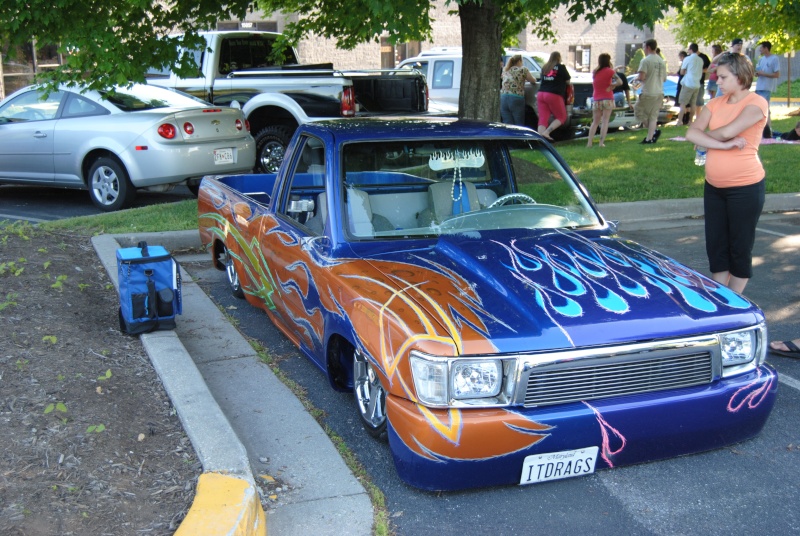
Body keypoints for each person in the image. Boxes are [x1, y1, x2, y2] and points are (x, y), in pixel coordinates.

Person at [685, 52, 768, 294]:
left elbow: (726, 131)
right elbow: (693, 133)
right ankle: (719, 296)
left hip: (745, 187)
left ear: (740, 76)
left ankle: (733, 301)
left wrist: (707, 140)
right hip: (714, 187)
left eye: (722, 77)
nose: (717, 82)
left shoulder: (756, 103)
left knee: (739, 247)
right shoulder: (714, 104)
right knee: (717, 247)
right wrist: (720, 145)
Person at [634, 39, 667, 144]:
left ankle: (653, 132)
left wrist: (636, 80)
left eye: (644, 47)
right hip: (660, 91)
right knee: (653, 116)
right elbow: (664, 78)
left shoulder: (645, 61)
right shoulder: (661, 61)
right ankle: (650, 138)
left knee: (638, 111)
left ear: (648, 47)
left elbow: (642, 77)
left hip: (648, 91)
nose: (643, 49)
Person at [587, 53, 621, 147]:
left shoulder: (595, 72)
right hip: (608, 98)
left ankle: (589, 143)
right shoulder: (610, 71)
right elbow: (620, 81)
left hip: (597, 99)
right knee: (605, 121)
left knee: (595, 121)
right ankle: (601, 143)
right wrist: (612, 85)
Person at [536, 51, 571, 140]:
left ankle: (540, 140)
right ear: (559, 58)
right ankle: (547, 132)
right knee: (561, 117)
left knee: (543, 118)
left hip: (541, 94)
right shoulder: (561, 67)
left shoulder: (545, 67)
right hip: (553, 94)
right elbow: (568, 81)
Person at [500, 54, 537, 126]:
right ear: (519, 61)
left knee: (507, 123)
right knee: (518, 123)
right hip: (516, 97)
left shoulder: (505, 70)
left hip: (503, 97)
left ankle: (509, 136)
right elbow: (532, 80)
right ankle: (519, 136)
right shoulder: (523, 69)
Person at [755, 40, 780, 134]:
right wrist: (758, 74)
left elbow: (777, 74)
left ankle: (768, 130)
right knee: (758, 108)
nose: (760, 50)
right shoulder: (761, 59)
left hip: (767, 87)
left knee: (764, 108)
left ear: (766, 48)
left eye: (761, 48)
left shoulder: (774, 58)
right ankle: (762, 129)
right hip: (759, 87)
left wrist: (764, 74)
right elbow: (760, 71)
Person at [677, 44, 704, 126]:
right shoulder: (700, 60)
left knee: (682, 103)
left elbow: (682, 71)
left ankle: (679, 121)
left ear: (691, 50)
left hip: (688, 83)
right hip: (696, 84)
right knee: (693, 104)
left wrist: (687, 72)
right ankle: (691, 121)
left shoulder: (687, 59)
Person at [695, 47, 711, 116]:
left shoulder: (704, 57)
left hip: (700, 81)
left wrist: (701, 71)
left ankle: (698, 116)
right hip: (692, 81)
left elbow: (709, 68)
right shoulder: (689, 57)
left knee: (699, 100)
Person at [675, 51, 687, 124]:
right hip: (682, 83)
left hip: (682, 84)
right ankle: (684, 118)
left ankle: (682, 119)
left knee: (683, 102)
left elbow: (681, 73)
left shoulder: (685, 63)